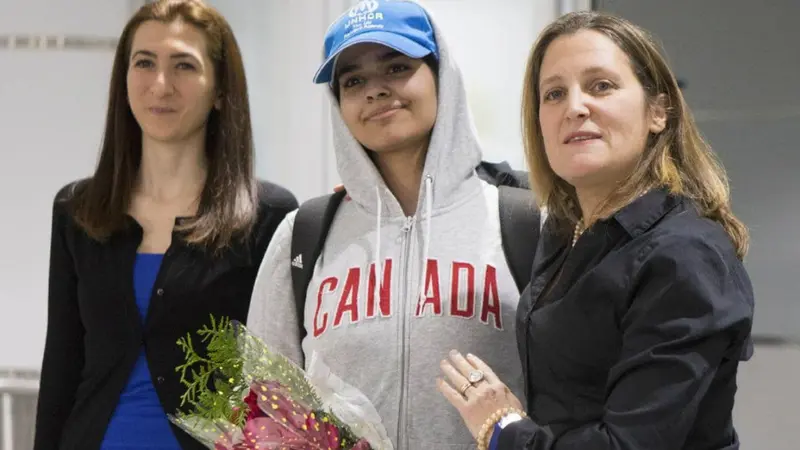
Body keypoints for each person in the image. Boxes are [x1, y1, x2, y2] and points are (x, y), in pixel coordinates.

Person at [438, 10, 755, 450]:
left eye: (601, 86)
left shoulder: (685, 256)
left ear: (658, 112)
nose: (575, 107)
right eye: (554, 93)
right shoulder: (568, 231)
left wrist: (501, 428)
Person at [246, 1, 527, 448]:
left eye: (397, 67)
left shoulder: (523, 223)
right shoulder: (302, 235)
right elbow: (264, 404)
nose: (375, 90)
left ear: (441, 77)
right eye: (353, 80)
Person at [33, 1, 297, 449]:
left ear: (219, 90)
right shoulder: (77, 210)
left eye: (183, 65)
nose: (160, 84)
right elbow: (61, 366)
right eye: (144, 63)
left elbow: (279, 386)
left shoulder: (267, 215)